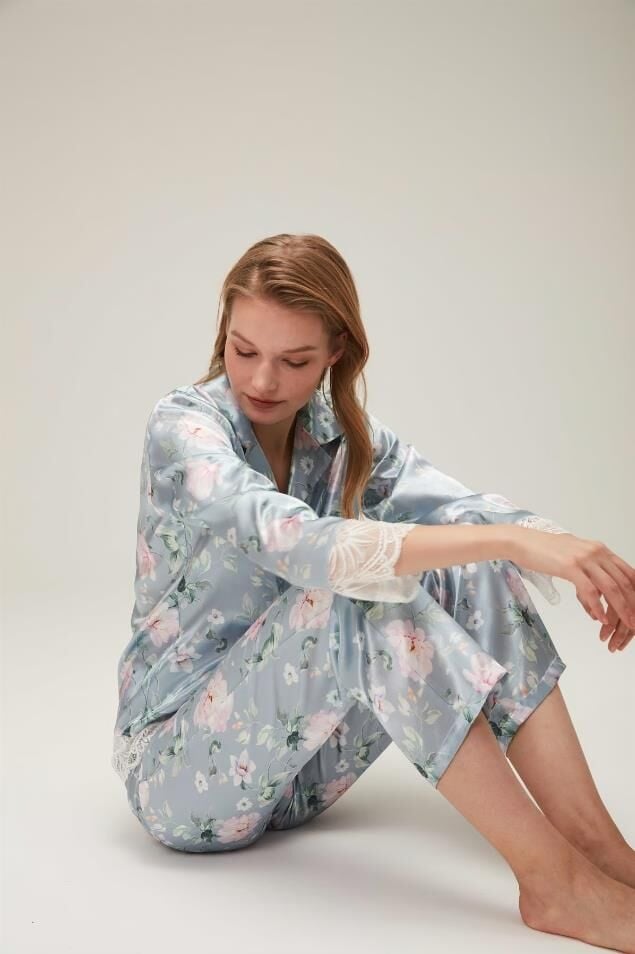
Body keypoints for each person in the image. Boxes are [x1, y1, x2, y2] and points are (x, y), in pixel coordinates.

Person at [112, 233, 635, 951]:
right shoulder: (185, 428)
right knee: (355, 590)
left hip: (300, 772)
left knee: (470, 561)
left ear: (336, 352)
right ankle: (555, 883)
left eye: (294, 360)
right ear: (223, 333)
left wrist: (563, 549)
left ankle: (596, 846)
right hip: (181, 776)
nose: (261, 379)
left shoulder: (344, 437)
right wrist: (515, 541)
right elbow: (300, 543)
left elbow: (459, 510)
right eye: (243, 349)